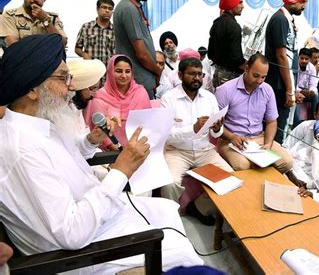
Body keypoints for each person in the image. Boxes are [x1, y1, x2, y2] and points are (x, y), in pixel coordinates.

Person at [0, 34, 202, 274]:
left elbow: (65, 159)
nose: (72, 86)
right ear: (33, 89)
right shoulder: (23, 149)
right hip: (79, 254)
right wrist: (121, 170)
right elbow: (71, 233)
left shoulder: (36, 124)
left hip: (94, 216)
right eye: (64, 78)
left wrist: (90, 140)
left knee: (166, 209)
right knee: (184, 257)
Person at [160, 57, 233, 225]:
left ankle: (199, 207)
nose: (197, 78)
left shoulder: (209, 98)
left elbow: (216, 135)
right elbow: (166, 135)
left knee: (232, 178)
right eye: (192, 74)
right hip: (177, 151)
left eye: (200, 74)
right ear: (180, 75)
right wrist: (192, 129)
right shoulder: (168, 99)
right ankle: (169, 222)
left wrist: (217, 129)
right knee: (170, 183)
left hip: (203, 150)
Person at [215, 53, 296, 180]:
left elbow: (272, 122)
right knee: (242, 166)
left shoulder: (267, 90)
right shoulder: (225, 90)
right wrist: (231, 136)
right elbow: (215, 125)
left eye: (263, 77)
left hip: (259, 137)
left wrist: (268, 143)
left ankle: (260, 186)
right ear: (246, 68)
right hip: (232, 140)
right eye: (256, 76)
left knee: (287, 162)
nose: (259, 81)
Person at [264, 0, 313, 143]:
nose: (304, 6)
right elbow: (282, 56)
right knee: (277, 126)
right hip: (279, 84)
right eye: (302, 2)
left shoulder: (286, 19)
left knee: (281, 125)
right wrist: (290, 90)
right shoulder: (280, 20)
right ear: (293, 0)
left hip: (284, 83)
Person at [84, 54, 151, 151]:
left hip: (140, 148)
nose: (124, 76)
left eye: (127, 71)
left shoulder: (140, 92)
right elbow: (100, 131)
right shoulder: (100, 97)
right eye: (118, 71)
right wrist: (120, 152)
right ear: (110, 72)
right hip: (110, 153)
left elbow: (149, 122)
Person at [113, 0, 158, 99]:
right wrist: (158, 71)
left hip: (142, 81)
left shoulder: (134, 7)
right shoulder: (128, 8)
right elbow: (142, 54)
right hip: (138, 83)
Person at [0, 0, 67, 46]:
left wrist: (45, 20)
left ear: (44, 0)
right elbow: (13, 46)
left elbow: (62, 44)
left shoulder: (53, 18)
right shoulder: (10, 15)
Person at [208, 0, 246, 87]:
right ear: (231, 4)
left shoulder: (216, 22)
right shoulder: (234, 26)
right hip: (231, 77)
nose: (243, 6)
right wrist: (248, 66)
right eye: (240, 2)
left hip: (217, 74)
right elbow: (236, 58)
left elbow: (210, 53)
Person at [75, 0, 116, 67]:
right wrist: (84, 54)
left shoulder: (116, 30)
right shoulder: (86, 27)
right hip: (90, 70)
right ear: (97, 9)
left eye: (110, 9)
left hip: (109, 70)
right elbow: (77, 48)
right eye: (104, 7)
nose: (107, 11)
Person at [293, 48, 318, 126]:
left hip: (306, 92)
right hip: (295, 91)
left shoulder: (312, 68)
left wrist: (311, 91)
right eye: (302, 58)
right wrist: (300, 91)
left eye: (306, 59)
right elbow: (292, 84)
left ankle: (314, 121)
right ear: (298, 57)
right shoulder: (294, 65)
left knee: (316, 96)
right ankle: (296, 125)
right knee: (295, 105)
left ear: (309, 59)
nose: (304, 61)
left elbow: (313, 84)